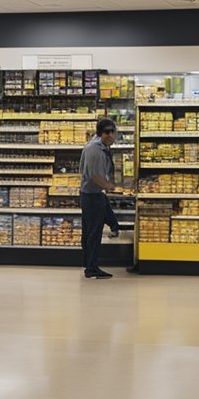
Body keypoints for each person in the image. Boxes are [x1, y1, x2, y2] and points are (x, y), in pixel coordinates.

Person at [79, 118, 122, 279]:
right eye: (109, 133)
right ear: (103, 134)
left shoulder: (101, 146)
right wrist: (111, 187)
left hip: (96, 194)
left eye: (113, 132)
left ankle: (115, 226)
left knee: (108, 221)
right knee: (93, 233)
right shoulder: (95, 150)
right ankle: (91, 268)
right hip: (92, 195)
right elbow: (94, 176)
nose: (112, 136)